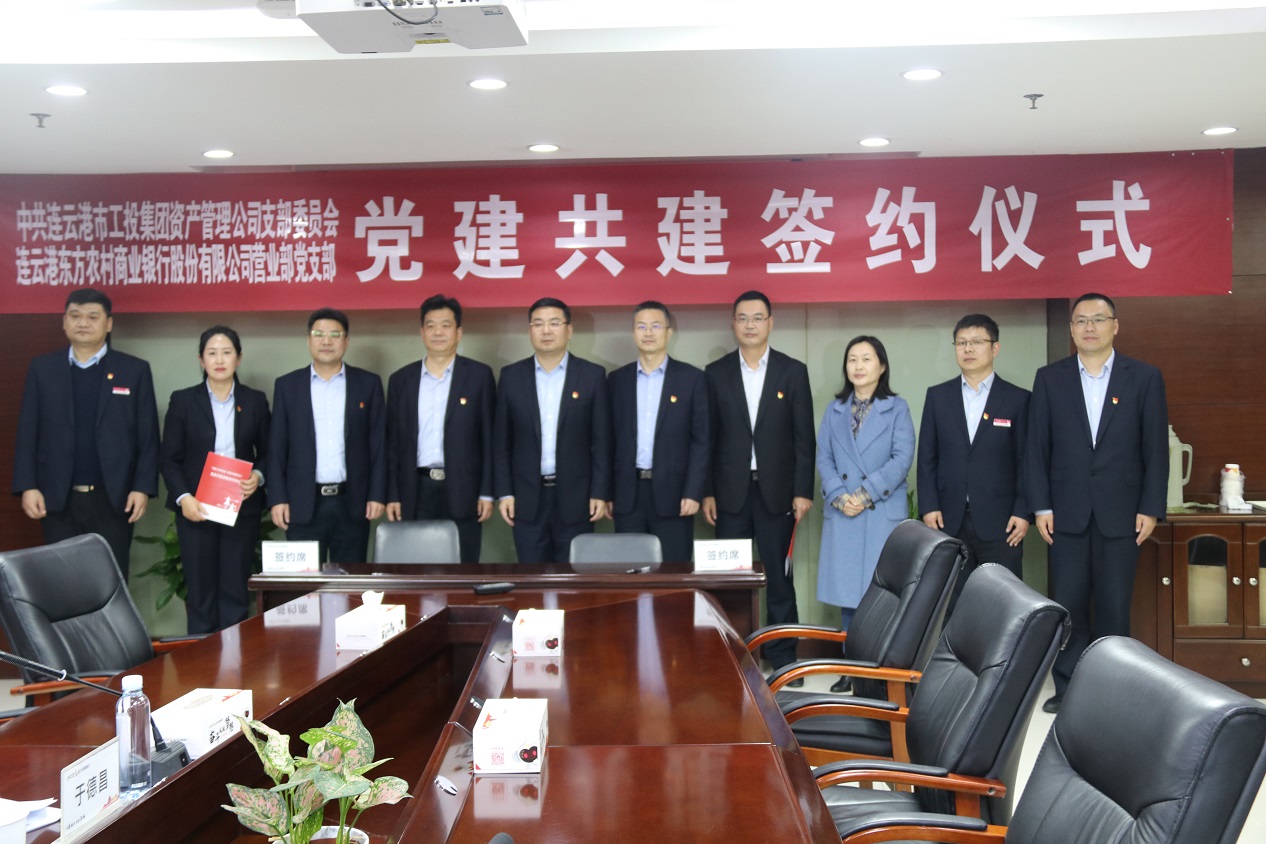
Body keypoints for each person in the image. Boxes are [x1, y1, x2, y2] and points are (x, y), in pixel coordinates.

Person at [1028, 292, 1168, 713]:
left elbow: (1155, 449)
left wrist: (1151, 507)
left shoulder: (1143, 377)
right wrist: (1041, 507)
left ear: (1115, 326)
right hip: (1064, 511)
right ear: (1071, 329)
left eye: (1098, 319)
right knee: (1069, 604)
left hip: (1122, 512)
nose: (1089, 327)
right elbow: (1037, 448)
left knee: (1113, 605)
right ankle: (1068, 687)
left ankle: (1112, 689)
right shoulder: (1049, 378)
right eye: (1081, 320)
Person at [13, 288, 159, 578]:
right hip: (57, 498)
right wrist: (28, 486)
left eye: (92, 317)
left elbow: (148, 436)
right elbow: (27, 431)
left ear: (108, 323)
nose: (83, 323)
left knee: (110, 580)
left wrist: (142, 487)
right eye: (75, 316)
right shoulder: (42, 369)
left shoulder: (134, 370)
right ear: (64, 321)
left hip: (114, 498)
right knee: (62, 580)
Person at [703, 290, 815, 672]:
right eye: (743, 318)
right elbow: (708, 438)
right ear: (733, 324)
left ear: (770, 323)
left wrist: (802, 491)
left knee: (779, 580)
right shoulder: (715, 373)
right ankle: (731, 660)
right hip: (729, 495)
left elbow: (804, 438)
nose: (750, 325)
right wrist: (707, 492)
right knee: (729, 583)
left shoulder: (792, 371)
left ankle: (784, 660)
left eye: (757, 318)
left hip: (778, 495)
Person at [159, 326, 270, 633]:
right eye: (212, 353)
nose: (219, 360)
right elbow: (169, 458)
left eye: (226, 352)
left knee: (235, 590)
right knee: (200, 592)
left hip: (240, 507)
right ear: (201, 360)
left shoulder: (255, 401)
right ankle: (202, 656)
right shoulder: (183, 401)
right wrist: (184, 498)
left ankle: (235, 657)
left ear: (238, 358)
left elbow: (269, 452)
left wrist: (258, 476)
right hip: (196, 508)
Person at [816, 335, 915, 679]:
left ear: (882, 366)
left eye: (866, 359)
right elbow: (824, 458)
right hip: (844, 511)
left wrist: (864, 494)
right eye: (852, 359)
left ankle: (878, 672)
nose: (858, 366)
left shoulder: (897, 408)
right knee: (848, 598)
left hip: (878, 511)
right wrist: (841, 496)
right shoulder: (835, 409)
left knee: (882, 596)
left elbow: (902, 458)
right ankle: (850, 668)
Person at [917, 314, 1030, 609]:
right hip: (948, 519)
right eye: (961, 343)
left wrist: (1023, 511)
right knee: (951, 603)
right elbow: (927, 456)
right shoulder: (938, 396)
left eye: (977, 342)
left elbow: (1027, 461)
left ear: (995, 348)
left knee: (1003, 602)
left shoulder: (1018, 399)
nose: (968, 349)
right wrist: (929, 506)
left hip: (1002, 522)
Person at [493, 297, 611, 563]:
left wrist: (600, 492)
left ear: (569, 330)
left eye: (554, 323)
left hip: (577, 497)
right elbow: (501, 442)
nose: (546, 330)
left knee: (574, 575)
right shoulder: (511, 376)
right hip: (525, 498)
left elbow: (602, 441)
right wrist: (505, 492)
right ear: (530, 331)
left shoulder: (592, 375)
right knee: (531, 574)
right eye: (538, 324)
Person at [267, 308, 386, 563]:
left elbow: (378, 444)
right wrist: (277, 499)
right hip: (302, 504)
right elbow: (276, 448)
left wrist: (377, 493)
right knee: (305, 583)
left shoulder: (368, 384)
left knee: (350, 580)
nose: (326, 341)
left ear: (346, 341)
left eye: (335, 334)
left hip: (352, 503)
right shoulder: (287, 386)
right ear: (308, 340)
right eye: (319, 334)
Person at [385, 294, 496, 562]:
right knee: (416, 565)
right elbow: (392, 444)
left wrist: (486, 492)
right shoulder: (401, 380)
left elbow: (490, 440)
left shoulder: (479, 376)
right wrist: (393, 495)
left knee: (463, 566)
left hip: (464, 488)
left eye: (446, 325)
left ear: (458, 333)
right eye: (431, 325)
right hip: (415, 489)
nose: (438, 332)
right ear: (422, 332)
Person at [606, 301, 709, 562]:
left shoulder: (691, 379)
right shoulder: (616, 380)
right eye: (641, 327)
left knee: (674, 572)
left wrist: (694, 491)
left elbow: (701, 441)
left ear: (668, 332)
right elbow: (606, 441)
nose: (648, 333)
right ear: (633, 333)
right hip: (627, 494)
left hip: (675, 496)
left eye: (655, 326)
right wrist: (606, 492)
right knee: (630, 571)